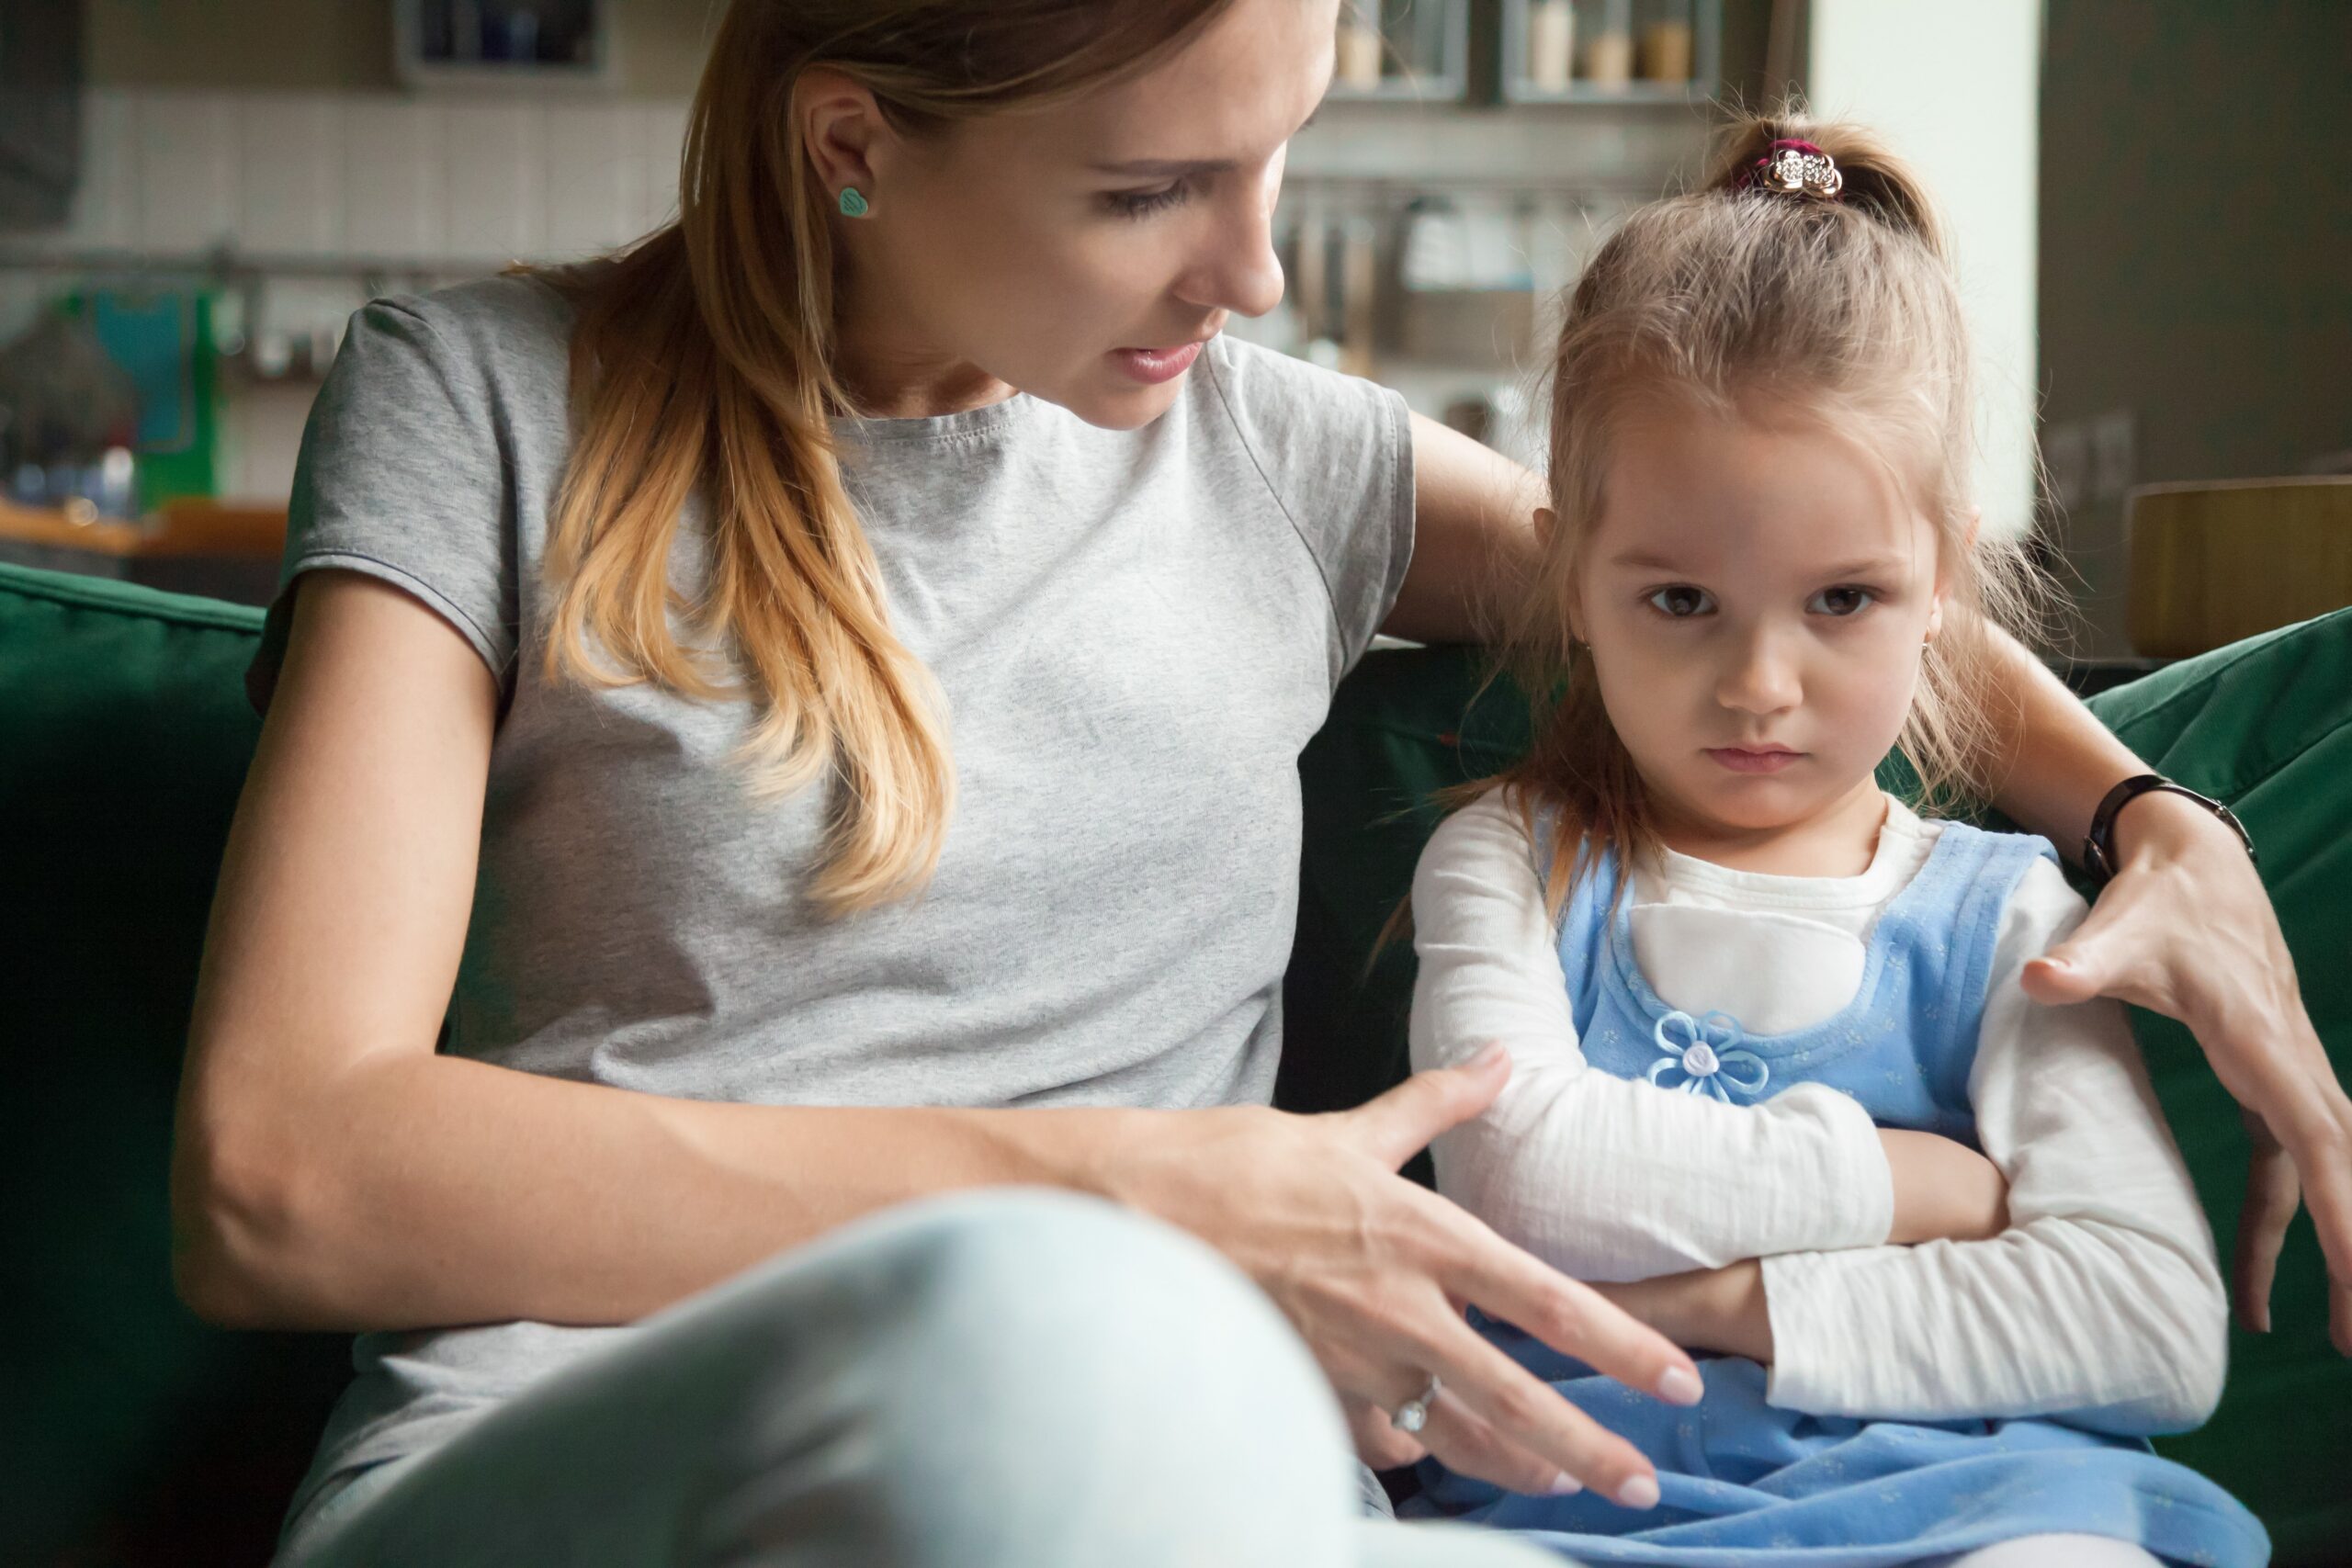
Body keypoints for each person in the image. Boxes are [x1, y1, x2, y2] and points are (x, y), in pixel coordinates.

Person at [163, 0, 2343, 1562]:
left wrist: (2148, 819)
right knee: (1045, 1328)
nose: (1258, 270)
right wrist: (1113, 1190)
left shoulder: (1271, 453)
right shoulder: (481, 402)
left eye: (1274, 150)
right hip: (605, 1452)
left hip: (1204, 1485)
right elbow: (280, 1165)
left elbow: (1779, 571)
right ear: (851, 140)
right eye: (1149, 190)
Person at [1397, 118, 2270, 1566]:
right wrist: (1912, 1188)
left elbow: (2149, 1323)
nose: (1759, 685)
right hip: (1568, 1502)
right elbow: (1525, 1177)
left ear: (1945, 582)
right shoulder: (1510, 857)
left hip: (1975, 1509)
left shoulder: (2010, 915)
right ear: (1568, 576)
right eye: (1679, 602)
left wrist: (1715, 1305)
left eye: (1843, 600)